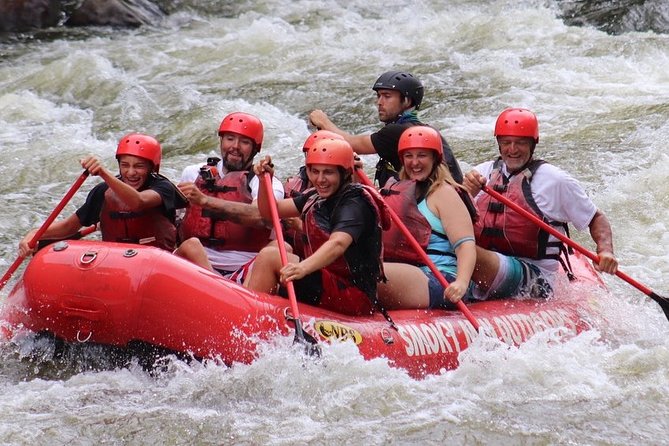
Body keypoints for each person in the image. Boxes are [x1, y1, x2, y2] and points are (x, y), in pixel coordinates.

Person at [462, 108, 619, 300]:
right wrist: (467, 193)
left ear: (532, 144)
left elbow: (595, 218)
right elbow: (449, 218)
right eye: (506, 143)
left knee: (464, 251)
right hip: (488, 267)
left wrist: (605, 251)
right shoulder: (482, 172)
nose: (512, 149)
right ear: (498, 144)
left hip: (536, 279)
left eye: (520, 143)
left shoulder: (555, 180)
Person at [244, 138, 390, 316]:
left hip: (354, 296)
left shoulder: (355, 203)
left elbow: (338, 244)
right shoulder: (315, 197)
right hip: (325, 282)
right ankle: (252, 313)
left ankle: (249, 320)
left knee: (270, 257)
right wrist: (263, 181)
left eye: (328, 172)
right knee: (271, 251)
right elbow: (270, 211)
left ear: (343, 173)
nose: (320, 179)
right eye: (315, 172)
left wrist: (302, 268)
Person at [19, 133, 185, 255]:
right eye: (125, 165)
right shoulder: (102, 192)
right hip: (116, 259)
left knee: (191, 245)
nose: (131, 172)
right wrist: (34, 234)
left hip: (158, 259)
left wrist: (103, 172)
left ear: (152, 168)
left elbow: (138, 202)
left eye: (139, 166)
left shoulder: (163, 187)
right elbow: (69, 227)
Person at [375, 126, 477, 309]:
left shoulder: (444, 193)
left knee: (369, 271)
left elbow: (465, 245)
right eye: (409, 156)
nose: (415, 162)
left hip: (441, 280)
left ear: (435, 158)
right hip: (408, 275)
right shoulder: (396, 191)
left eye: (422, 155)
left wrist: (461, 283)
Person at [308, 70, 465, 188]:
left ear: (407, 101)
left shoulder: (397, 132)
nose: (379, 102)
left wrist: (323, 120)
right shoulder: (427, 130)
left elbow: (349, 143)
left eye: (387, 96)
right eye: (378, 96)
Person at [174, 111, 284, 277]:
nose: (235, 147)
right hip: (194, 262)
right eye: (230, 139)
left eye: (244, 142)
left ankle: (220, 288)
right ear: (221, 141)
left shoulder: (265, 182)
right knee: (191, 246)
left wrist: (205, 200)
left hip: (243, 269)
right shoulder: (193, 173)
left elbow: (261, 216)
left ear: (255, 149)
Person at [282, 129, 345, 258]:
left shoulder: (350, 198)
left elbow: (339, 242)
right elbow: (271, 210)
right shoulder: (294, 184)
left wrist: (301, 226)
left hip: (324, 262)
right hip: (296, 253)